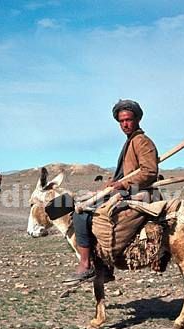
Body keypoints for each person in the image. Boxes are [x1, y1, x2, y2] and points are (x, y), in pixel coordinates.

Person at [63, 99, 159, 285]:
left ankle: (85, 264)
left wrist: (123, 185)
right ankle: (104, 266)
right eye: (121, 121)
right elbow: (128, 172)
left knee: (81, 215)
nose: (125, 124)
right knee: (83, 203)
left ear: (137, 119)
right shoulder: (131, 142)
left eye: (128, 120)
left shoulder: (142, 142)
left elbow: (149, 172)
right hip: (126, 189)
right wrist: (111, 184)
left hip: (137, 193)